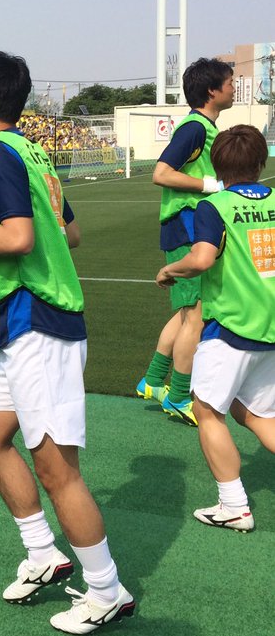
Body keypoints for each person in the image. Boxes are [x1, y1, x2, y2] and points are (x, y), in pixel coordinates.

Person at [0, 51, 133, 636]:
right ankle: (43, 553)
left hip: (36, 323)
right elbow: (68, 231)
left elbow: (20, 236)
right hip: (23, 322)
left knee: (57, 470)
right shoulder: (31, 151)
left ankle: (105, 589)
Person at [156, 125, 275, 531]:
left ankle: (234, 505)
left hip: (231, 328)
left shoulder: (215, 206)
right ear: (261, 163)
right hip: (270, 328)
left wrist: (171, 269)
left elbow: (203, 258)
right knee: (258, 415)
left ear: (218, 165)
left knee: (206, 409)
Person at [135, 58, 235, 425]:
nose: (233, 86)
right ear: (212, 91)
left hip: (189, 224)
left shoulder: (203, 127)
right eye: (229, 81)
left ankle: (152, 379)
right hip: (187, 225)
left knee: (186, 311)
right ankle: (178, 396)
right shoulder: (194, 128)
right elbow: (161, 173)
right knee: (196, 315)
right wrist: (209, 185)